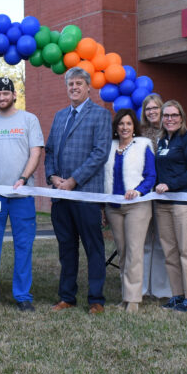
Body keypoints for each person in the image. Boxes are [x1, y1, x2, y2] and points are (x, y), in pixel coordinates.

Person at [45, 68, 112, 314]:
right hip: (61, 195)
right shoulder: (60, 115)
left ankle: (96, 299)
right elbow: (50, 150)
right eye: (70, 83)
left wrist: (73, 180)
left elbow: (100, 153)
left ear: (88, 87)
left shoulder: (101, 115)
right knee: (67, 248)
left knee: (93, 248)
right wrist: (52, 177)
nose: (74, 87)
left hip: (86, 194)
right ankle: (67, 297)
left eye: (78, 83)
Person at [0, 77, 45, 312]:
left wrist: (23, 179)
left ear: (14, 95)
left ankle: (23, 295)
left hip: (22, 196)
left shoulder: (29, 120)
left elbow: (35, 152)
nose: (2, 98)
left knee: (23, 246)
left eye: (6, 93)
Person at [152, 99, 187, 312]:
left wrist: (170, 184)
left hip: (185, 202)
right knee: (170, 252)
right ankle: (177, 295)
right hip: (163, 204)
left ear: (182, 118)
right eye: (166, 115)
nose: (170, 119)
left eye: (174, 115)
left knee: (186, 251)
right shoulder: (163, 141)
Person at [104, 108, 156, 314]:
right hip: (114, 208)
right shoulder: (109, 147)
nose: (124, 127)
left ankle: (133, 299)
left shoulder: (144, 145)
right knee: (123, 251)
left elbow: (151, 175)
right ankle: (125, 295)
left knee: (134, 251)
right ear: (116, 127)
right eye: (121, 124)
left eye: (128, 124)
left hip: (137, 206)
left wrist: (139, 191)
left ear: (134, 126)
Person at [137, 93, 171, 301]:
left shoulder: (170, 132)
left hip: (164, 193)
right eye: (148, 109)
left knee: (160, 240)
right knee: (143, 241)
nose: (151, 112)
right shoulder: (139, 134)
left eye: (155, 108)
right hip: (143, 192)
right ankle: (142, 287)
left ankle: (160, 287)